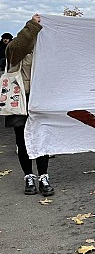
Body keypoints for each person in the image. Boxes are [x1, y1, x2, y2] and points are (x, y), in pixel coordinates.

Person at [5, 15, 54, 196]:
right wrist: (32, 25)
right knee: (22, 140)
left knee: (42, 137)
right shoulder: (14, 51)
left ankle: (43, 176)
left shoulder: (46, 51)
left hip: (40, 98)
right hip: (20, 98)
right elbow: (19, 45)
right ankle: (29, 176)